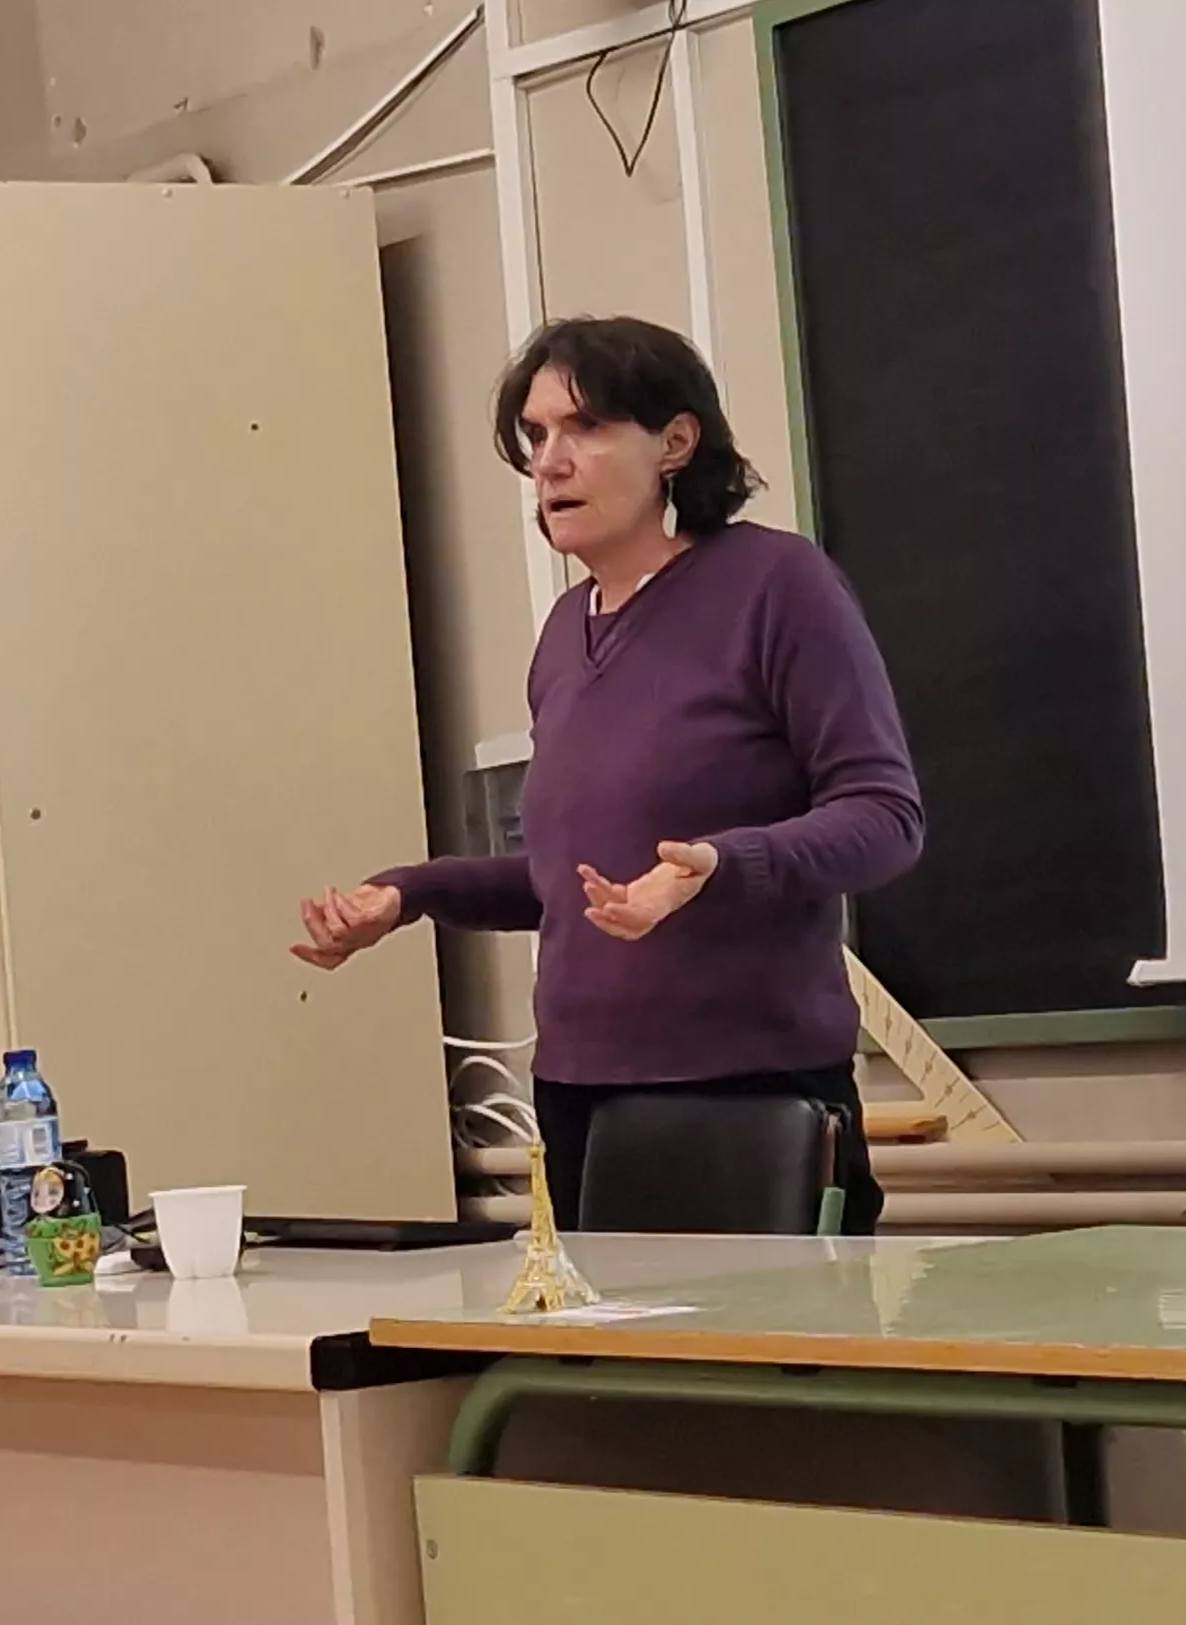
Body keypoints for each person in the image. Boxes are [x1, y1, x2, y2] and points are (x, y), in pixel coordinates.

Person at [291, 317, 921, 1235]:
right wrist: (408, 894)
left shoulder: (777, 584)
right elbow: (572, 881)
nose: (550, 462)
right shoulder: (563, 633)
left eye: (584, 428)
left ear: (675, 443)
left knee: (756, 1332)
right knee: (598, 1334)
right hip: (579, 1093)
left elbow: (884, 815)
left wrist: (717, 866)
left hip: (749, 1095)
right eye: (536, 435)